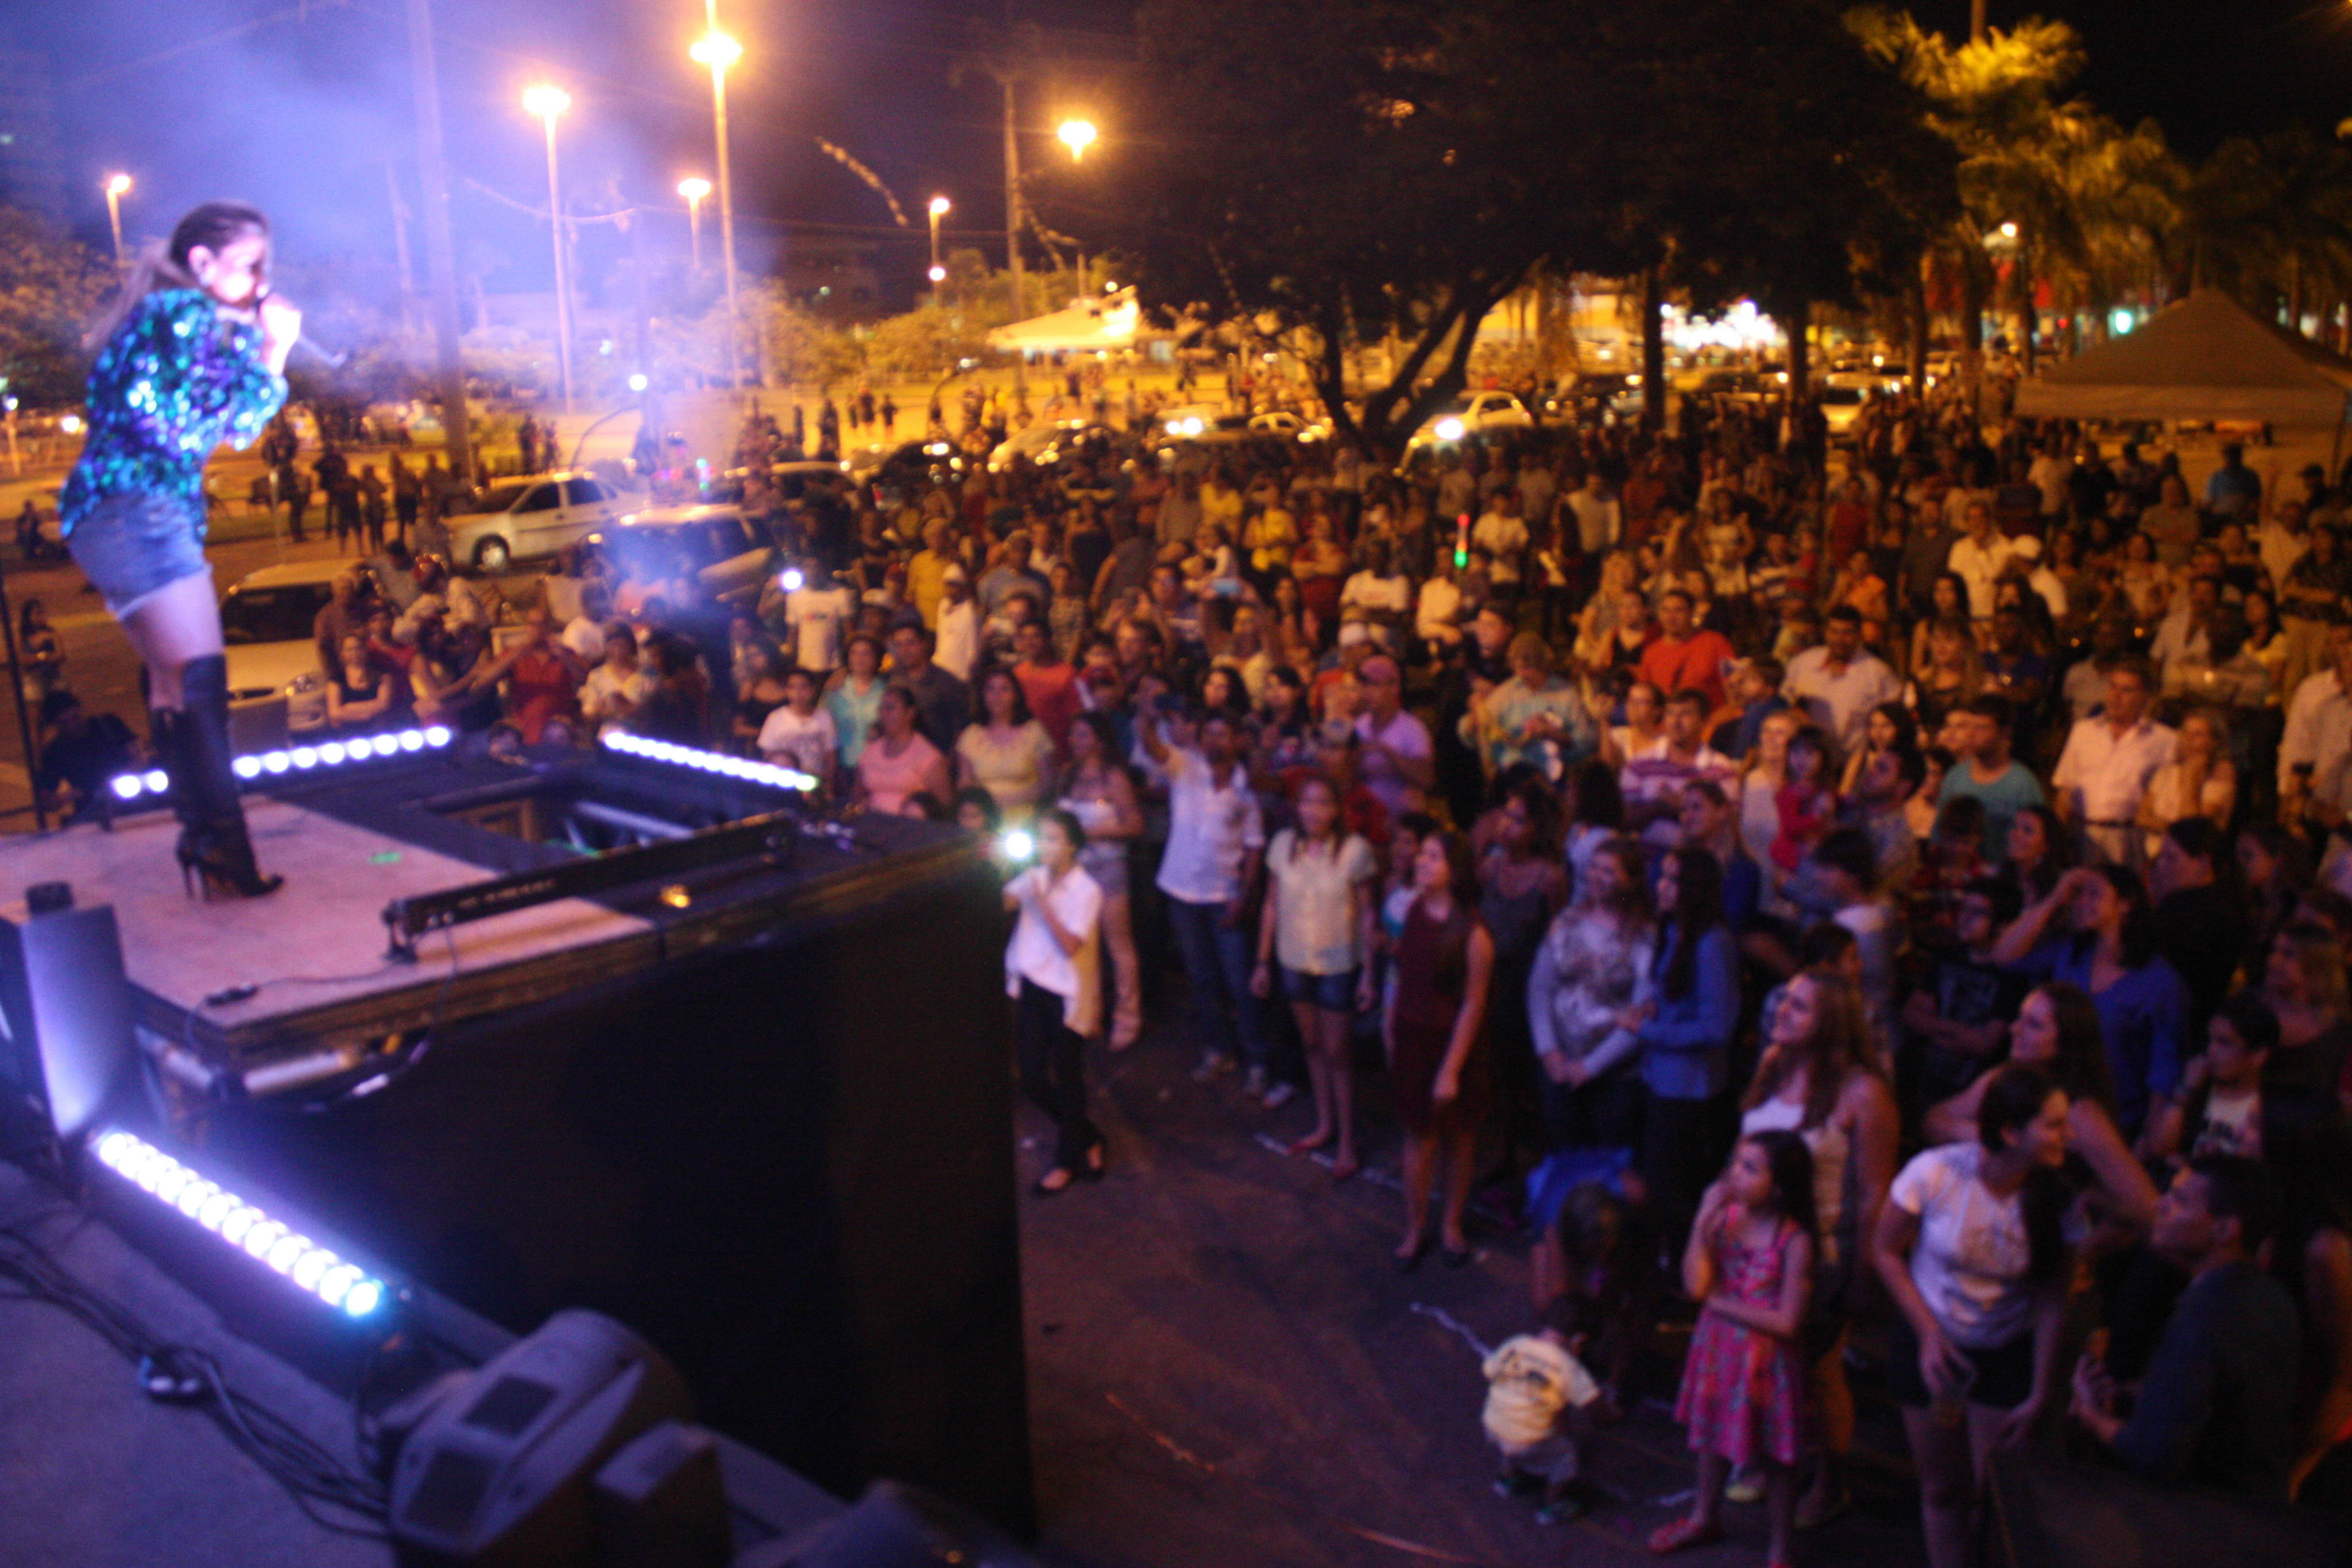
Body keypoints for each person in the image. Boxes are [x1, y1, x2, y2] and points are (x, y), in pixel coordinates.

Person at [58, 202, 297, 897]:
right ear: (203, 263)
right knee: (199, 683)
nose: (261, 281)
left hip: (108, 511)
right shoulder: (183, 318)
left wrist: (249, 343)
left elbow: (222, 420)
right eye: (252, 265)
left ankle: (205, 841)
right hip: (142, 511)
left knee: (172, 685)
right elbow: (236, 419)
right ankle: (222, 849)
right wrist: (275, 347)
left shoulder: (163, 317)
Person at [1873, 1065, 2072, 1568]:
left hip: (2006, 1352)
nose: (2067, 1135)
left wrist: (2041, 1389)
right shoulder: (1936, 1172)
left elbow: (2053, 1297)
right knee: (1942, 1489)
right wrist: (1928, 1334)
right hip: (1933, 1346)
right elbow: (1885, 1250)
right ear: (2010, 1131)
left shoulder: (2055, 1196)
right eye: (2053, 1124)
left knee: (1996, 1497)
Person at [2069, 1155, 2302, 1500]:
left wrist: (2090, 1414)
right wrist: (2136, 1395)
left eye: (2179, 1200)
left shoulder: (2206, 1315)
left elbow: (2151, 1455)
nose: (2160, 1204)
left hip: (2209, 1518)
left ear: (2225, 1230)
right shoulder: (2269, 1295)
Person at [1648, 1130, 1815, 1566]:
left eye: (1750, 1168)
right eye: (1734, 1163)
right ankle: (1704, 1516)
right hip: (1719, 1351)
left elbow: (1788, 1321)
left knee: (1778, 1454)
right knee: (1711, 1435)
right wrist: (1704, 1215)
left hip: (1767, 1361)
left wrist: (1721, 1304)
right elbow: (1695, 1283)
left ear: (1779, 1187)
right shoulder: (1725, 1217)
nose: (1734, 1175)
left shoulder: (1794, 1241)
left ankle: (1780, 1549)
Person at [1991, 865, 2191, 1143]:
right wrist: (2055, 897)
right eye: (2080, 894)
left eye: (2094, 894)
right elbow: (2004, 956)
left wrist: (2147, 1142)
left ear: (2125, 904)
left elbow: (2164, 1071)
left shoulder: (2160, 983)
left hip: (2116, 1121)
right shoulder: (2071, 954)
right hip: (2050, 1107)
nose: (2082, 902)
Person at [1254, 774, 1379, 1178]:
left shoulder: (1355, 851)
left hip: (1339, 965)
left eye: (1323, 802)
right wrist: (1261, 961)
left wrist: (1369, 974)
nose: (1314, 810)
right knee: (1311, 1044)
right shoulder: (1282, 845)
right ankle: (1324, 1124)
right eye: (1307, 801)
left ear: (1337, 809)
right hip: (1293, 959)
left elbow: (1368, 914)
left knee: (1339, 1052)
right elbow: (1271, 905)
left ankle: (1346, 1138)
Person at [1142, 704, 1270, 1090]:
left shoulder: (1246, 790)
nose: (1215, 740)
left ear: (1237, 742)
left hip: (1221, 895)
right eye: (1210, 733)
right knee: (1202, 978)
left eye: (1223, 734)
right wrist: (1147, 715)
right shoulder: (1186, 767)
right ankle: (1219, 1050)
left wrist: (1243, 896)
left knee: (1237, 980)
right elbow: (1152, 745)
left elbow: (1253, 849)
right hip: (1182, 892)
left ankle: (1257, 1059)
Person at [1387, 828, 1494, 1270]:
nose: (1422, 861)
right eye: (1422, 854)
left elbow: (1473, 1003)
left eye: (1434, 856)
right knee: (1418, 1134)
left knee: (1459, 1136)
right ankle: (1415, 1225)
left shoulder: (1473, 933)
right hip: (1412, 1035)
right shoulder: (1412, 908)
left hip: (1451, 1044)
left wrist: (1450, 1068)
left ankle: (1450, 1222)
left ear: (1455, 869)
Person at [1630, 847, 1740, 1249]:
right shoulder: (1675, 930)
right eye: (1662, 875)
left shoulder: (1712, 942)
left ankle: (1681, 1273)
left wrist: (1650, 1029)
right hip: (1660, 1077)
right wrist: (1653, 1008)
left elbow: (1717, 1026)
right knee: (1658, 1183)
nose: (1662, 885)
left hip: (1688, 1088)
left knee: (1673, 1190)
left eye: (1674, 879)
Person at [1004, 808, 1107, 1194]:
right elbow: (1002, 903)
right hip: (1032, 986)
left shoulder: (1088, 890)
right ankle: (1088, 1136)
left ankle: (1066, 1163)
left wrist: (1043, 903)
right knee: (1031, 1079)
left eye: (1052, 838)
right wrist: (997, 871)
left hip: (1068, 994)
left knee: (1067, 1076)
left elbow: (1070, 945)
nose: (1044, 846)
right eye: (1041, 837)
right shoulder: (1032, 876)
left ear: (1072, 845)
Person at [1058, 710, 1144, 1050]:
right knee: (1081, 944)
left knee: (1117, 945)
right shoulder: (1068, 775)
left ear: (1099, 739)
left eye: (1082, 735)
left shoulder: (1114, 777)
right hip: (1073, 873)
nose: (1075, 742)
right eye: (1072, 735)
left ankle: (1128, 1017)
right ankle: (1088, 1013)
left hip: (1108, 870)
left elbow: (1135, 824)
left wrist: (1091, 832)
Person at [1480, 1297, 1603, 1526]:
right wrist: (1607, 1413)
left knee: (1510, 1436)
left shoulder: (1516, 1344)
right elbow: (1594, 1405)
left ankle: (1509, 1479)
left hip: (1493, 1425)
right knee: (1565, 1457)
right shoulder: (1569, 1367)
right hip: (1528, 1440)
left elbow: (1489, 1370)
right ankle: (1552, 1504)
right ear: (1579, 1341)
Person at [2051, 656, 2176, 866]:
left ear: (2145, 697)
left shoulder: (2164, 740)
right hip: (2083, 834)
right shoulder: (2083, 731)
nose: (2116, 696)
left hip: (2130, 837)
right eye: (2112, 687)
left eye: (2126, 691)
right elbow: (2066, 789)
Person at [1784, 605, 1904, 756]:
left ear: (1859, 634)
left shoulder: (1878, 673)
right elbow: (1784, 704)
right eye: (1834, 632)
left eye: (1847, 633)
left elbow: (1896, 720)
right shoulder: (1803, 663)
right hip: (1807, 764)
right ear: (1825, 632)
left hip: (1854, 766)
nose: (1839, 640)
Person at [956, 667, 1056, 826]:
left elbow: (1048, 784)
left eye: (1005, 689)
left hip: (1026, 821)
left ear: (1016, 695)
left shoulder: (1034, 732)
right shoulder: (970, 735)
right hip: (984, 821)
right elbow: (965, 787)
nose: (997, 696)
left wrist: (1012, 799)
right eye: (991, 689)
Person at [32, 691, 137, 824]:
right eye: (65, 723)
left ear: (80, 711)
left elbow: (137, 756)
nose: (73, 725)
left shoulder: (108, 724)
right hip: (93, 806)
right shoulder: (54, 751)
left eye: (75, 718)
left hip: (131, 793)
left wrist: (123, 776)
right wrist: (67, 796)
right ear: (56, 726)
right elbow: (47, 799)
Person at [856, 683, 951, 816]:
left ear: (910, 713)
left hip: (911, 830)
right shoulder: (870, 752)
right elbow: (857, 796)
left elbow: (945, 805)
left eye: (890, 708)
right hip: (873, 827)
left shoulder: (928, 756)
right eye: (881, 709)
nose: (884, 714)